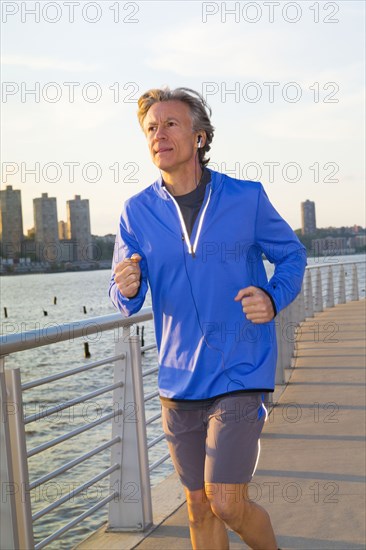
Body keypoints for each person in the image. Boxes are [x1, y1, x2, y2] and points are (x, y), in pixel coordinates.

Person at [109, 87, 307, 550]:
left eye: (171, 124)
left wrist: (273, 297)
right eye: (151, 128)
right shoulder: (135, 212)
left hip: (240, 368)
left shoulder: (246, 198)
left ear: (199, 137)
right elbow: (122, 297)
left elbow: (293, 255)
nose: (160, 134)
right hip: (177, 381)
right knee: (197, 507)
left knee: (227, 502)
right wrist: (127, 286)